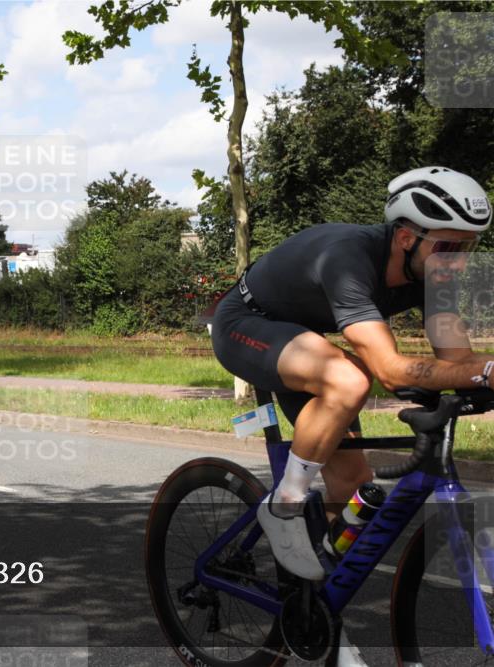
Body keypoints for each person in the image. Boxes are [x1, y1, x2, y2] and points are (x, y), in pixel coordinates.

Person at [211, 166, 493, 583]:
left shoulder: (435, 273)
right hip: (245, 324)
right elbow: (391, 371)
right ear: (405, 237)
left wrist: (480, 375)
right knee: (350, 378)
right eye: (450, 245)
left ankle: (318, 626)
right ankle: (284, 505)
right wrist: (485, 372)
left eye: (470, 248)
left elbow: (460, 362)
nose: (460, 261)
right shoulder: (348, 258)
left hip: (302, 338)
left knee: (352, 494)